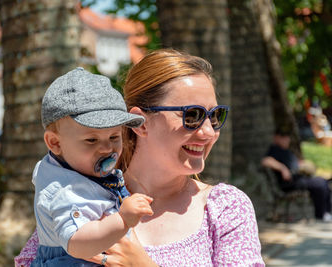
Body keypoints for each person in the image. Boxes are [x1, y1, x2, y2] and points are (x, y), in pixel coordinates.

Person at [15, 49, 265, 266]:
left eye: (215, 116)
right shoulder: (78, 196)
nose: (209, 132)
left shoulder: (224, 209)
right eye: (192, 116)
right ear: (141, 123)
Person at [30, 67, 154, 266]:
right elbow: (78, 245)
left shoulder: (74, 168)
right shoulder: (65, 189)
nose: (106, 148)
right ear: (55, 143)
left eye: (114, 137)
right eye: (91, 140)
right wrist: (122, 219)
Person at [261, 129, 332, 222]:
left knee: (323, 182)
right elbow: (265, 161)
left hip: (300, 179)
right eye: (283, 137)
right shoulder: (274, 149)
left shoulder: (286, 151)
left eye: (287, 137)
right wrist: (283, 168)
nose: (286, 139)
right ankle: (321, 215)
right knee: (319, 184)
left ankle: (327, 212)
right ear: (276, 138)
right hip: (290, 183)